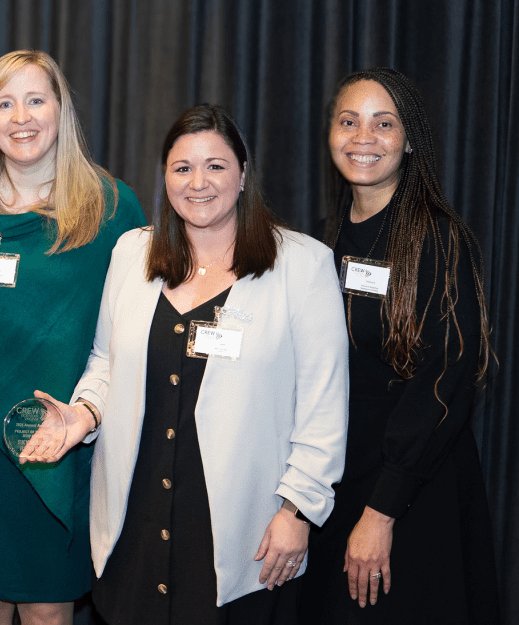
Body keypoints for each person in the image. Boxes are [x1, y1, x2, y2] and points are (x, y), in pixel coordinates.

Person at [26, 104, 349, 624]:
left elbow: (324, 405)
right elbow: (105, 363)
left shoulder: (302, 266)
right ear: (165, 178)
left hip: (243, 529)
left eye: (216, 166)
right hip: (136, 514)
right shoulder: (132, 254)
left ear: (243, 174)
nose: (198, 182)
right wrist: (82, 414)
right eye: (182, 168)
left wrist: (298, 510)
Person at [0, 49, 147, 625]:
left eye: (35, 100)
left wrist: (87, 415)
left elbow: (134, 333)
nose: (21, 117)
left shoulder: (112, 208)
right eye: (5, 103)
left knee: (50, 610)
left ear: (60, 109)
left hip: (58, 442)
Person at [298, 68, 500, 624]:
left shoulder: (440, 238)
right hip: (338, 480)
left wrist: (383, 510)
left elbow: (445, 379)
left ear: (409, 140)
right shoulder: (320, 243)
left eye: (383, 124)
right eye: (349, 121)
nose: (363, 137)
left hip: (411, 491)